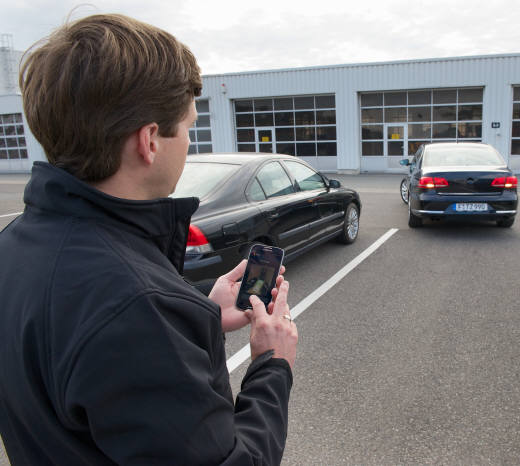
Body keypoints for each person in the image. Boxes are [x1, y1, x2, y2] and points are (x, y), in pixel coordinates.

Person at [0, 13, 298, 465]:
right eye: (190, 128)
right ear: (150, 141)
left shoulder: (14, 247)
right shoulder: (135, 309)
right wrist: (272, 366)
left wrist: (195, 317)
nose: (190, 144)